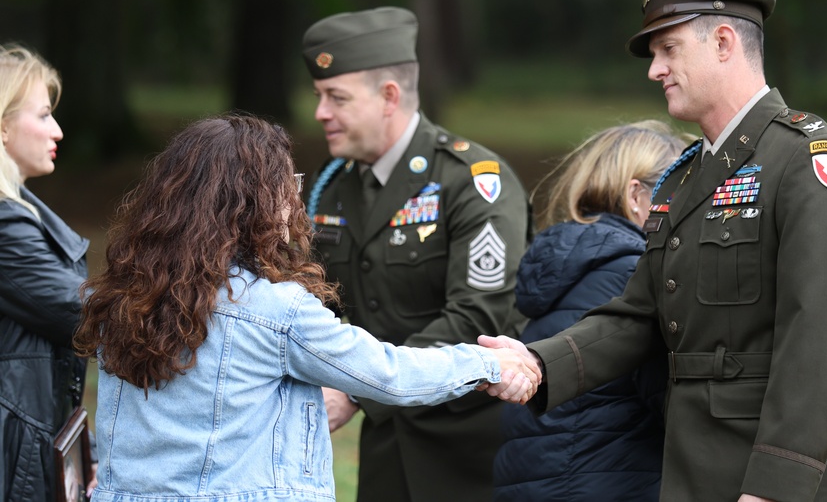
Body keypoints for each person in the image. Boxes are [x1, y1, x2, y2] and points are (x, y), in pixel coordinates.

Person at [481, 0, 827, 502]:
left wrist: (776, 486)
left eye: (667, 48)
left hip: (775, 478)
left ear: (722, 42)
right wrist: (538, 362)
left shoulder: (806, 162)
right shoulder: (687, 177)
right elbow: (638, 317)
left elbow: (826, 340)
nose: (655, 69)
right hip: (692, 471)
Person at [73, 114, 537, 502]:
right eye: (286, 184)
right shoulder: (274, 310)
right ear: (251, 201)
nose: (294, 199)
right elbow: (389, 374)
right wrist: (487, 362)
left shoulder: (118, 297)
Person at [300, 7, 532, 502]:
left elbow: (480, 314)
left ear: (389, 97)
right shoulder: (333, 187)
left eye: (336, 97)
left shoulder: (470, 180)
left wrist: (357, 390)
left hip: (469, 446)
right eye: (320, 96)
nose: (320, 112)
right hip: (388, 446)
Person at [493, 120, 690, 502]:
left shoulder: (567, 264)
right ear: (637, 195)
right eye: (677, 194)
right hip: (609, 484)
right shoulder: (633, 272)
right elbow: (673, 402)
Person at [0, 45, 89, 502]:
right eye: (44, 115)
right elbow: (83, 311)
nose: (57, 129)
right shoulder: (3, 224)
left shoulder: (18, 213)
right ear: (2, 126)